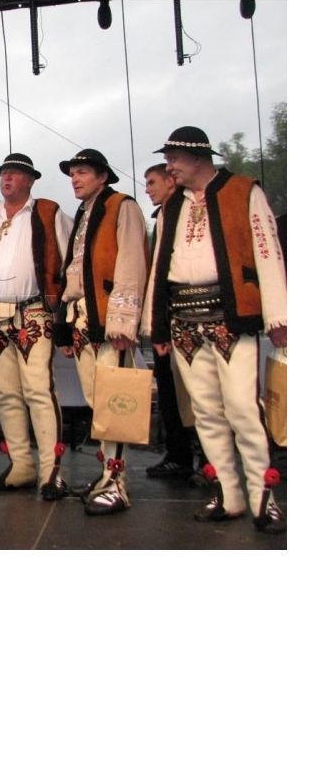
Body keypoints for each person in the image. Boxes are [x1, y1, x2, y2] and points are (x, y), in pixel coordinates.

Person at [143, 125, 287, 532]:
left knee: (242, 407)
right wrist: (157, 327)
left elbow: (268, 252)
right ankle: (228, 493)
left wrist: (278, 315)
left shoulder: (244, 191)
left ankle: (263, 496)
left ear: (198, 158)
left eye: (174, 158)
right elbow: (160, 266)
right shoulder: (172, 206)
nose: (169, 166)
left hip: (230, 317)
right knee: (205, 411)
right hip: (184, 321)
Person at [0, 153, 73, 499]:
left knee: (39, 390)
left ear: (31, 180)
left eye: (14, 173)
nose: (7, 178)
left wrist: (63, 314)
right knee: (5, 393)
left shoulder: (49, 212)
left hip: (33, 312)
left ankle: (51, 471)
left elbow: (69, 262)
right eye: (4, 173)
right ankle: (21, 465)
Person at [54, 148, 149, 515]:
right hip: (83, 319)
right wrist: (65, 328)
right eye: (72, 173)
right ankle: (108, 474)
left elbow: (131, 265)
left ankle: (116, 483)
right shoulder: (84, 213)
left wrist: (123, 323)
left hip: (109, 322)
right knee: (99, 402)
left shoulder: (122, 207)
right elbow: (73, 273)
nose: (75, 179)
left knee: (116, 402)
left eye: (82, 172)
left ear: (103, 176)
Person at [142, 164, 196, 481]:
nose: (147, 188)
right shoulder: (164, 214)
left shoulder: (181, 212)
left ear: (171, 182)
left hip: (179, 313)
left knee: (189, 390)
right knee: (170, 389)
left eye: (152, 182)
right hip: (165, 315)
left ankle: (194, 456)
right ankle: (180, 453)